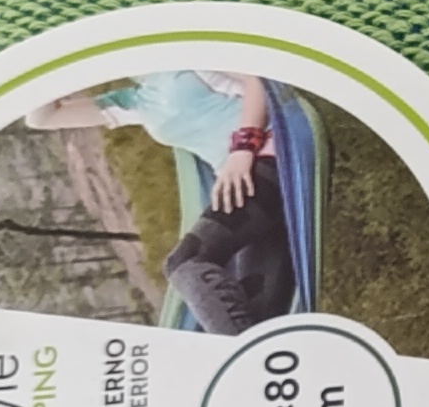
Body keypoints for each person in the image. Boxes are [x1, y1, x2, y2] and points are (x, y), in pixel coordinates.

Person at [27, 72, 294, 333]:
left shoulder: (184, 59)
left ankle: (245, 356)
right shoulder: (135, 101)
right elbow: (42, 118)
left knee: (185, 261)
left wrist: (243, 147)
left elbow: (259, 79)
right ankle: (256, 356)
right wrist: (64, 71)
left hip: (270, 156)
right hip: (242, 190)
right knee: (257, 312)